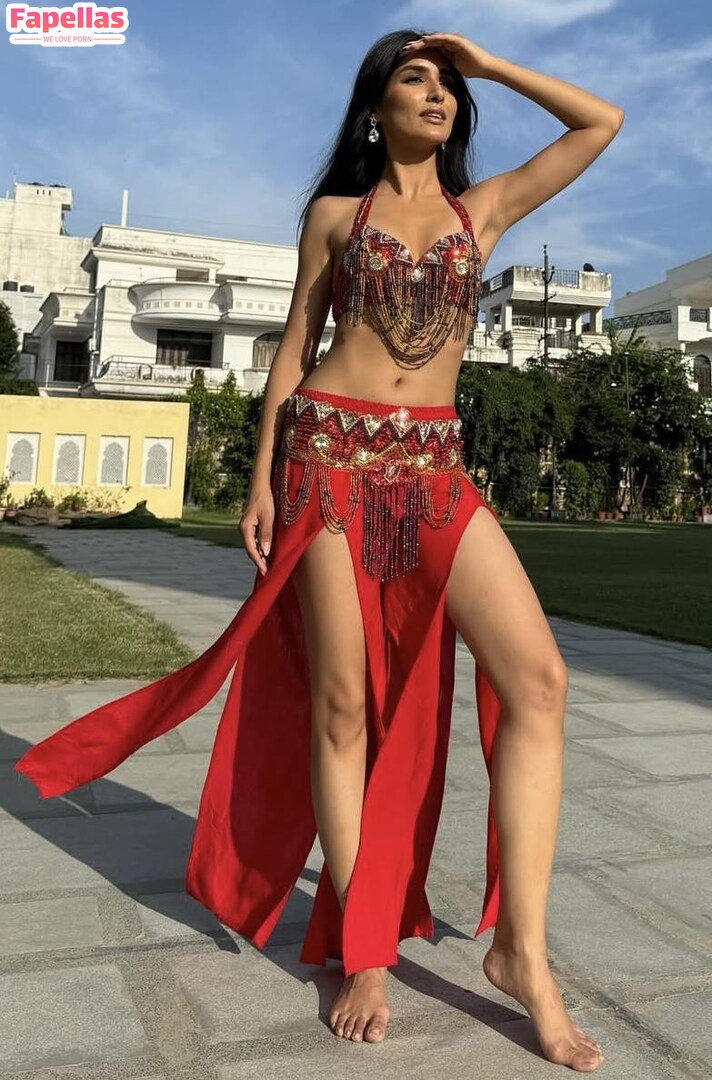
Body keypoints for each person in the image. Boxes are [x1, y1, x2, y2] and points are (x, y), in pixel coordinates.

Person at [15, 27, 623, 1071]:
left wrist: (488, 63)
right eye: (415, 78)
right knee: (342, 707)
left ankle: (520, 950)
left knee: (540, 680)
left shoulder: (482, 212)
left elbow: (598, 123)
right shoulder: (338, 216)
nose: (436, 93)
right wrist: (261, 479)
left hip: (434, 470)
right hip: (329, 461)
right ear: (374, 109)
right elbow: (296, 343)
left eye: (447, 85)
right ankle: (365, 946)